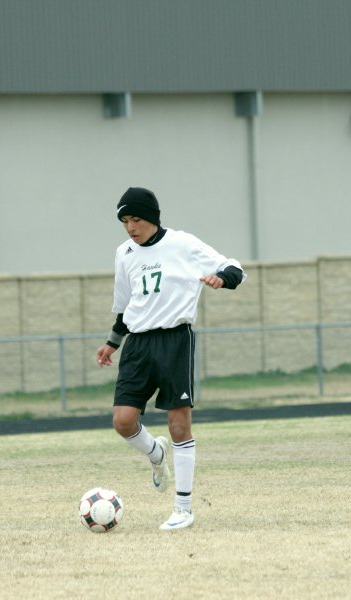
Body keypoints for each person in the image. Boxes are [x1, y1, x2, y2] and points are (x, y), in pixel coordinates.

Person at [95, 186, 246, 531]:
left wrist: (221, 278)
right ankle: (156, 455)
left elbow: (234, 267)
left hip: (175, 340)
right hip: (137, 344)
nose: (130, 227)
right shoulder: (125, 253)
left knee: (179, 424)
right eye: (124, 221)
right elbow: (124, 305)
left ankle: (183, 509)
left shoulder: (182, 244)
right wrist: (112, 343)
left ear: (152, 218)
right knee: (123, 421)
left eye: (136, 219)